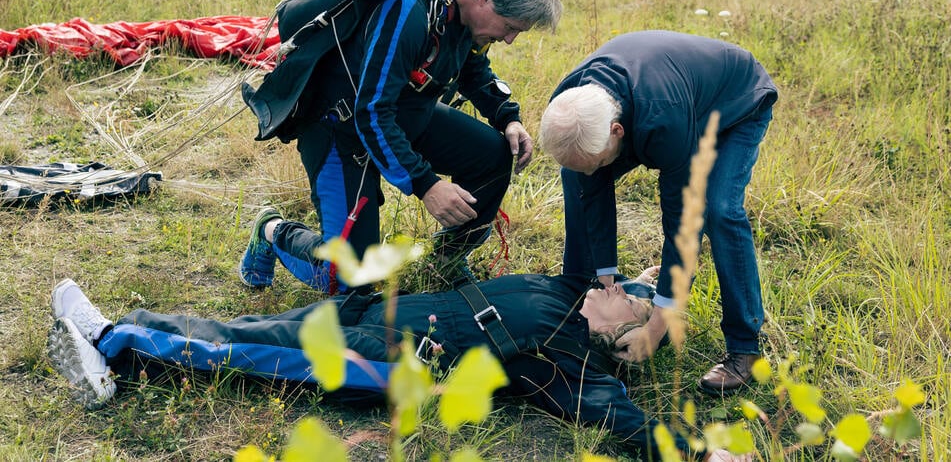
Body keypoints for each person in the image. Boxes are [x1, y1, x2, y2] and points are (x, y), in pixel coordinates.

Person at [46, 272, 749, 461]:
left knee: (256, 356)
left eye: (634, 292)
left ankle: (115, 350)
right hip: (376, 315)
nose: (616, 283)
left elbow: (618, 420)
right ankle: (129, 332)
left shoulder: (566, 362)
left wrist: (695, 455)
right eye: (627, 277)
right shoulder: (562, 286)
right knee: (252, 328)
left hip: (384, 366)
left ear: (635, 327)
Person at [241, 0, 562, 293]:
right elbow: (371, 111)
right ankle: (272, 230)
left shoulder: (466, 17)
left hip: (407, 116)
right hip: (342, 132)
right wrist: (426, 185)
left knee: (494, 155)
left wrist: (507, 118)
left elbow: (472, 68)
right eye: (510, 27)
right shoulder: (409, 10)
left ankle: (445, 264)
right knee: (349, 278)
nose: (509, 39)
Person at [539, 31, 778, 395]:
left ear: (617, 132)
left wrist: (656, 328)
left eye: (598, 160)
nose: (593, 170)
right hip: (663, 97)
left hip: (735, 101)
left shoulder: (662, 123)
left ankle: (745, 350)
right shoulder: (570, 106)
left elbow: (683, 224)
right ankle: (578, 287)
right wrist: (607, 284)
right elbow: (591, 186)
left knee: (719, 210)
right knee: (579, 180)